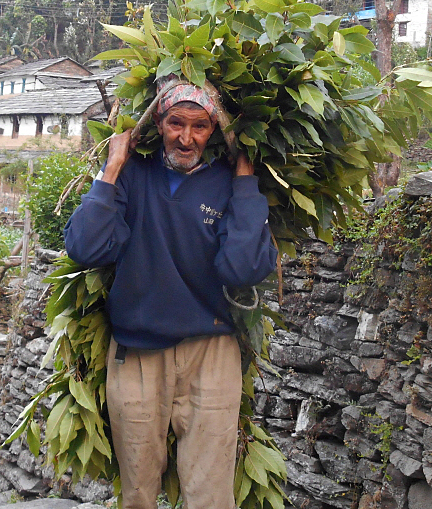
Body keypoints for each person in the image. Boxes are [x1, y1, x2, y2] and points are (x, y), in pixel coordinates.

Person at [64, 81, 278, 509]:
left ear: (213, 131)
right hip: (139, 351)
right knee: (138, 489)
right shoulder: (132, 178)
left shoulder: (227, 185)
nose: (186, 137)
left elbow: (242, 269)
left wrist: (244, 185)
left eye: (199, 126)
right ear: (158, 124)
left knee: (210, 492)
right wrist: (112, 168)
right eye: (175, 122)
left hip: (212, 351)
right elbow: (85, 248)